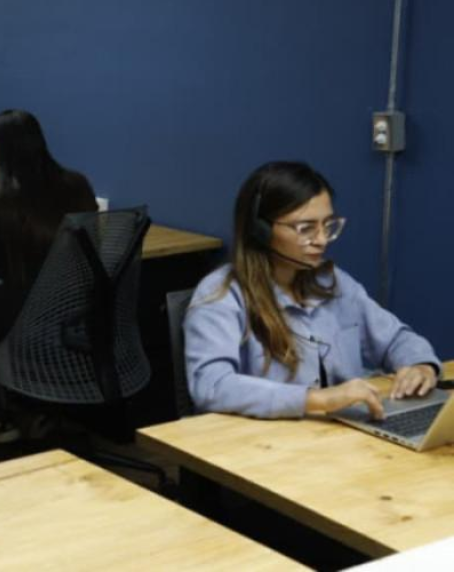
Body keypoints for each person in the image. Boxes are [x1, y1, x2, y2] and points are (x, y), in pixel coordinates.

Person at [185, 161, 440, 420]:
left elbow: (395, 339)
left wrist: (420, 366)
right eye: (306, 228)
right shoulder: (220, 295)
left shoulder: (332, 282)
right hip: (264, 439)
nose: (321, 239)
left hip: (336, 431)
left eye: (327, 225)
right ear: (260, 230)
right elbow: (211, 385)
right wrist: (316, 399)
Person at [0, 109, 98, 444]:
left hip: (22, 322)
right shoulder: (78, 185)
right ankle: (42, 412)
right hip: (79, 317)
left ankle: (0, 413)